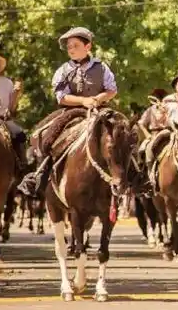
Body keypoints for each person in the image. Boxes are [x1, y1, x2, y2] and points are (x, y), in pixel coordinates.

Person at [18, 27, 117, 196]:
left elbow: (112, 90)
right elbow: (61, 97)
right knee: (44, 137)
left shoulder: (102, 67)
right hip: (71, 111)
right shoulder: (62, 70)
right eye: (69, 46)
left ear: (88, 47)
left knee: (123, 133)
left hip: (99, 109)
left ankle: (135, 178)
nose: (70, 49)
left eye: (75, 45)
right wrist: (83, 101)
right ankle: (39, 177)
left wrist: (98, 99)